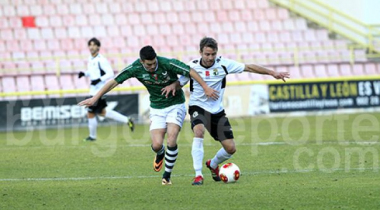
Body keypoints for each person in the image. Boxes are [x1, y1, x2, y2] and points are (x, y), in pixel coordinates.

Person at [78, 45, 218, 185]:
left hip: (176, 105)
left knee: (171, 138)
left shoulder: (167, 63)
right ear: (141, 61)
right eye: (148, 64)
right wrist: (95, 98)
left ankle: (167, 176)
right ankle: (160, 153)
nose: (152, 66)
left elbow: (191, 71)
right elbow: (114, 82)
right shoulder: (135, 68)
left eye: (154, 63)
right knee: (157, 145)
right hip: (157, 108)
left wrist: (205, 87)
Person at [164, 37, 290, 185]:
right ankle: (198, 175)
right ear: (200, 52)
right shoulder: (192, 66)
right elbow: (180, 82)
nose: (210, 58)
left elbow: (249, 67)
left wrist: (272, 72)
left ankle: (212, 164)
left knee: (230, 148)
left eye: (213, 54)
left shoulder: (224, 64)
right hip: (197, 107)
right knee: (198, 131)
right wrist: (173, 86)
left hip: (217, 111)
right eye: (207, 54)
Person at [78, 37, 134, 142]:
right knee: (102, 112)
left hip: (99, 91)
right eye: (90, 44)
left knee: (91, 112)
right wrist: (84, 74)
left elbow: (110, 73)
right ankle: (127, 120)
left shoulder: (101, 60)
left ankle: (92, 137)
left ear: (98, 47)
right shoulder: (90, 59)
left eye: (94, 45)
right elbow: (92, 72)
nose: (92, 46)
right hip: (93, 90)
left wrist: (99, 80)